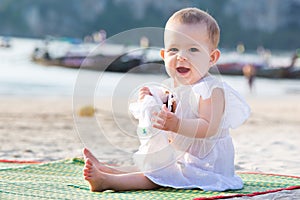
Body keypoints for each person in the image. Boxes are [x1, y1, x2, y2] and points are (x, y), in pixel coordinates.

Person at [83, 7, 250, 192]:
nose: (181, 56)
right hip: (183, 156)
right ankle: (109, 170)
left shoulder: (210, 89)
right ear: (163, 56)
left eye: (193, 49)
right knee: (154, 166)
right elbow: (166, 106)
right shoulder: (172, 87)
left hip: (207, 164)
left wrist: (177, 125)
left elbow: (209, 127)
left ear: (212, 58)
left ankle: (108, 182)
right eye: (174, 49)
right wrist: (149, 99)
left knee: (159, 177)